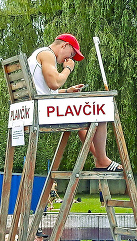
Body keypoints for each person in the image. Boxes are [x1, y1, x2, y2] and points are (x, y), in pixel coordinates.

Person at [27, 33, 122, 172]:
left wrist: (66, 92)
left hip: (36, 106)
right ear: (64, 45)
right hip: (41, 110)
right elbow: (54, 83)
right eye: (71, 54)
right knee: (102, 110)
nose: (69, 59)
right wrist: (68, 69)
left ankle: (101, 159)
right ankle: (102, 160)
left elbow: (43, 90)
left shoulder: (38, 54)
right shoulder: (47, 54)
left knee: (85, 117)